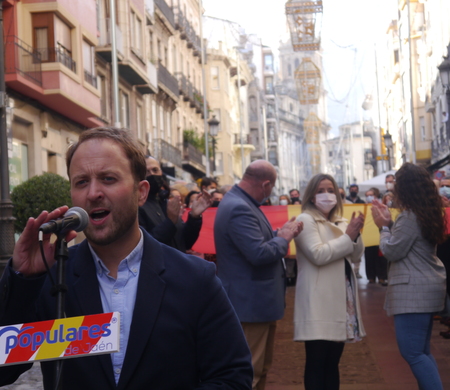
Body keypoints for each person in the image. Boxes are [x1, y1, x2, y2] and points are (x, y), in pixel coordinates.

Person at [0, 127, 253, 389]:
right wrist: (22, 279)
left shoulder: (196, 279)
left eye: (108, 179)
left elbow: (232, 377)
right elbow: (5, 370)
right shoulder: (53, 277)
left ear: (141, 192)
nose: (93, 193)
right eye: (81, 182)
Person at [214, 160, 303, 390]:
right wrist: (283, 238)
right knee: (250, 372)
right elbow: (258, 253)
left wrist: (280, 233)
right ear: (265, 184)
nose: (271, 193)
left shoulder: (241, 202)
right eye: (271, 188)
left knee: (260, 367)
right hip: (249, 304)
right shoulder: (239, 207)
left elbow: (255, 242)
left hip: (254, 303)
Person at [371, 163, 446, 390]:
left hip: (413, 290)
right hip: (426, 285)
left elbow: (393, 250)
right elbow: (410, 241)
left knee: (413, 353)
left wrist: (383, 228)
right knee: (421, 352)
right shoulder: (426, 212)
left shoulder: (410, 216)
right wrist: (390, 223)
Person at [293, 173, 365, 390]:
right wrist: (347, 237)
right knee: (316, 362)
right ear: (312, 196)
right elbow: (318, 254)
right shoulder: (305, 219)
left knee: (333, 363)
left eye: (331, 190)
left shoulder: (341, 221)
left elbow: (354, 256)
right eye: (321, 191)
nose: (327, 195)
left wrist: (354, 234)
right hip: (318, 299)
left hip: (341, 297)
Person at [139, 156, 211, 253]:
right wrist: (170, 222)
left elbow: (186, 242)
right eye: (147, 172)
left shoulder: (165, 202)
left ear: (161, 172)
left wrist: (194, 217)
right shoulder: (137, 207)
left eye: (155, 170)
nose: (152, 174)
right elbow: (146, 246)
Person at [364, 188, 388, 285]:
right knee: (369, 257)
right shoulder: (364, 206)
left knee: (381, 258)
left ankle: (381, 277)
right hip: (368, 235)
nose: (369, 197)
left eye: (371, 195)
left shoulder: (381, 206)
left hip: (379, 235)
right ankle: (371, 277)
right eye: (367, 195)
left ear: (376, 195)